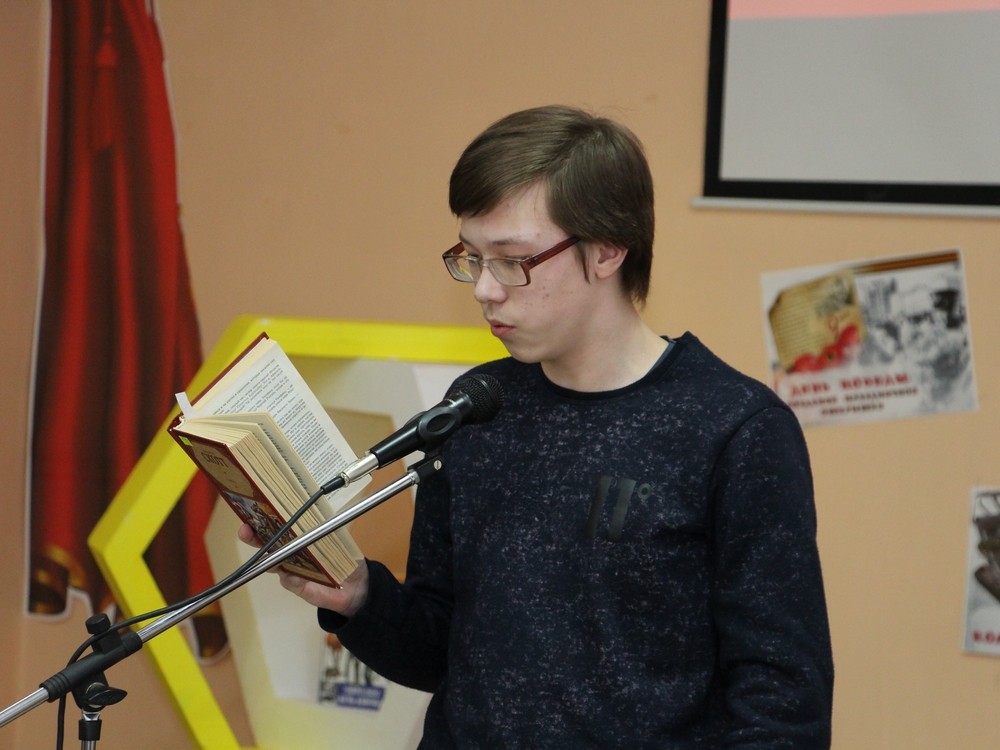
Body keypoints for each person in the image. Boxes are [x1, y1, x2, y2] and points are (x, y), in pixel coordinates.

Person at [240, 105, 834, 748]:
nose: (484, 290)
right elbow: (445, 653)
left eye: (512, 260)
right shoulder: (477, 406)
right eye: (472, 257)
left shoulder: (735, 429)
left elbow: (782, 702)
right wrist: (358, 595)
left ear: (608, 249)